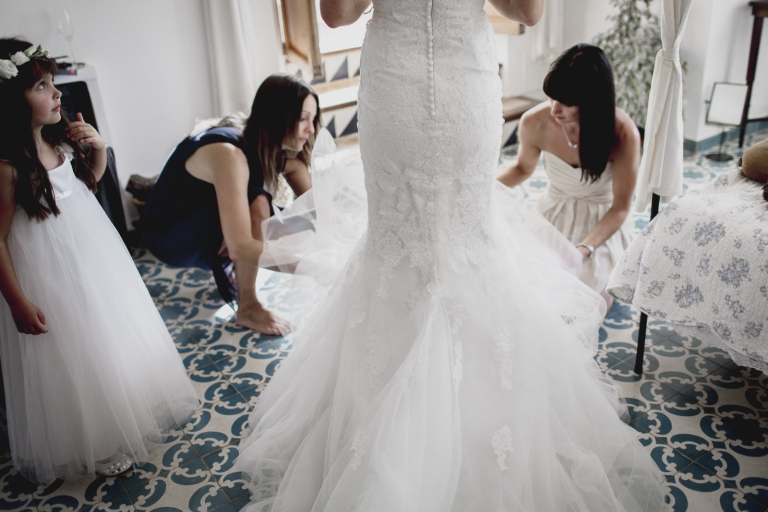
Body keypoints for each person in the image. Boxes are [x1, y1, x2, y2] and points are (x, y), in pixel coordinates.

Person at [234, 1, 665, 511]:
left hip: (404, 80)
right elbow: (527, 11)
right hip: (454, 83)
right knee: (449, 238)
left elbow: (338, 13)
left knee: (427, 240)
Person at [0, 38, 198, 485]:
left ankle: (123, 408)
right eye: (43, 87)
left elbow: (81, 192)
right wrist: (16, 301)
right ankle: (95, 437)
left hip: (90, 259)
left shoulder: (57, 143)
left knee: (105, 336)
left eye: (54, 84)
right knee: (71, 353)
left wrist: (99, 151)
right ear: (13, 100)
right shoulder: (8, 167)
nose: (57, 94)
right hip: (46, 275)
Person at [138, 74, 319, 335]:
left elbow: (315, 212)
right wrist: (312, 268)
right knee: (259, 204)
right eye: (303, 118)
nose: (311, 129)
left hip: (203, 221)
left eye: (312, 119)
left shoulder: (265, 144)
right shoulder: (229, 155)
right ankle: (249, 307)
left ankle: (240, 276)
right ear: (278, 116)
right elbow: (241, 246)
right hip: (170, 236)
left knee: (288, 223)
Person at [497, 44, 639, 309]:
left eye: (567, 102)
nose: (554, 109)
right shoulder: (534, 122)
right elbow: (522, 169)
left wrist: (584, 249)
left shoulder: (623, 133)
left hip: (602, 223)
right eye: (552, 97)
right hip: (553, 211)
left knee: (581, 301)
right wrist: (482, 188)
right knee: (522, 289)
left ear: (592, 100)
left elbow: (620, 208)